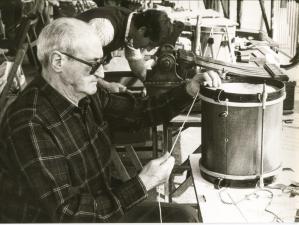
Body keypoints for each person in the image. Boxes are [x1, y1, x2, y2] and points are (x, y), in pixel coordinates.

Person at [0, 18, 221, 222]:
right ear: (58, 61)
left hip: (100, 207)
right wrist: (143, 183)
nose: (102, 74)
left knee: (184, 217)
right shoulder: (29, 124)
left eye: (102, 60)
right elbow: (68, 215)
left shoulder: (87, 93)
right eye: (93, 64)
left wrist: (189, 90)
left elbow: (140, 112)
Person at [77, 6, 175, 92]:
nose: (148, 50)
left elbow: (135, 60)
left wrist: (149, 83)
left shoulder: (133, 26)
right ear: (142, 30)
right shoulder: (105, 29)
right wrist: (106, 85)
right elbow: (77, 64)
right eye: (150, 44)